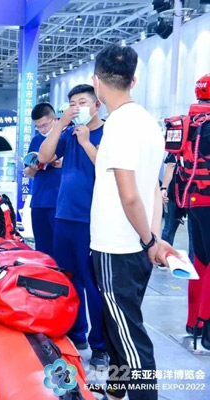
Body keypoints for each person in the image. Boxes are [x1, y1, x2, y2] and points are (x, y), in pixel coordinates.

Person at [90, 44, 175, 400]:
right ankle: (115, 390)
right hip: (135, 245)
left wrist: (149, 240)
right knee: (116, 325)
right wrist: (153, 236)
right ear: (134, 80)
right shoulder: (147, 122)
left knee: (129, 337)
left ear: (96, 82)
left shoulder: (120, 125)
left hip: (118, 247)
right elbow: (153, 187)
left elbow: (129, 195)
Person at [38, 85, 108, 369]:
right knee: (68, 279)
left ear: (97, 105)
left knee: (93, 284)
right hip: (63, 215)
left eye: (82, 102)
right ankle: (75, 334)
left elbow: (106, 167)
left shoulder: (107, 133)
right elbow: (44, 157)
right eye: (72, 104)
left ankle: (100, 345)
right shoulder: (68, 133)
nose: (77, 108)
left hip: (91, 218)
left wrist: (86, 142)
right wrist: (61, 125)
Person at [167, 73, 210, 347]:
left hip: (192, 199)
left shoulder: (190, 121)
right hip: (208, 200)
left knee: (201, 261)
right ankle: (207, 329)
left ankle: (194, 321)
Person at [24, 103, 61, 256]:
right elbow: (28, 172)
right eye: (38, 127)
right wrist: (33, 168)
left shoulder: (66, 137)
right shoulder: (36, 140)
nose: (42, 130)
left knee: (60, 248)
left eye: (45, 125)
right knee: (42, 249)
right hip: (39, 200)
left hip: (59, 201)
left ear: (55, 120)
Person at [160, 154, 193, 262]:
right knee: (194, 232)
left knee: (169, 227)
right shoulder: (200, 146)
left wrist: (164, 188)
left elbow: (171, 165)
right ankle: (194, 262)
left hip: (176, 190)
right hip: (195, 191)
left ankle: (163, 258)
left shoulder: (178, 146)